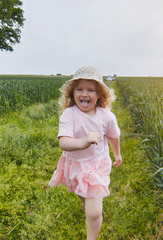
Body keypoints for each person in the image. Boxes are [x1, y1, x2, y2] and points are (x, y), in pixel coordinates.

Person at [49, 66, 122, 240]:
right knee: (83, 195)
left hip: (97, 165)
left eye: (91, 90)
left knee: (94, 212)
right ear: (72, 93)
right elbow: (64, 143)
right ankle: (86, 202)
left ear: (99, 95)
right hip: (76, 164)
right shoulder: (69, 115)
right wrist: (84, 141)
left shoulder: (106, 117)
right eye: (79, 89)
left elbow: (114, 136)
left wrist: (117, 154)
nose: (84, 94)